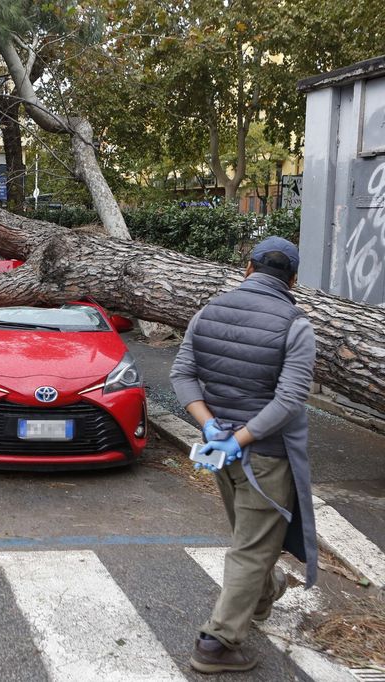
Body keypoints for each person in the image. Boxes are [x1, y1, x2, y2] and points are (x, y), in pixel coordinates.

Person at [170, 236, 318, 674]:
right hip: (267, 456)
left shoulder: (206, 312)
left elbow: (183, 375)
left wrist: (211, 425)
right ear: (292, 280)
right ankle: (217, 642)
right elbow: (289, 400)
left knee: (252, 540)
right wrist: (244, 437)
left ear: (248, 269)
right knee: (251, 550)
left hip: (222, 454)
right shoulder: (296, 325)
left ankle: (262, 594)